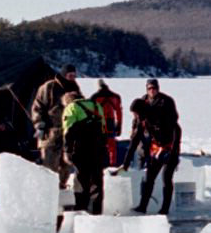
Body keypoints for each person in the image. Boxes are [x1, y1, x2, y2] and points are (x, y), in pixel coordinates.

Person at [120, 78, 181, 215]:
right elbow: (134, 141)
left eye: (154, 88)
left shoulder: (165, 104)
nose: (152, 91)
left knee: (166, 177)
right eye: (149, 88)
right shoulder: (143, 116)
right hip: (156, 148)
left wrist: (175, 149)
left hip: (170, 146)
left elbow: (176, 128)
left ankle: (164, 210)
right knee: (149, 177)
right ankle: (142, 206)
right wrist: (125, 163)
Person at [61, 88, 108, 214]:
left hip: (81, 149)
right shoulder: (96, 105)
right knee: (97, 181)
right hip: (98, 148)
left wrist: (67, 151)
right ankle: (96, 212)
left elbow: (68, 131)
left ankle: (81, 211)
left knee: (81, 180)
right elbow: (104, 129)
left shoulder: (71, 107)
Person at [31, 65, 78, 188]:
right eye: (70, 75)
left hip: (69, 132)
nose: (72, 78)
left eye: (74, 75)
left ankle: (61, 186)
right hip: (50, 131)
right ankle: (48, 188)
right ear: (64, 74)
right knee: (49, 163)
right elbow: (37, 107)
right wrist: (39, 124)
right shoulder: (48, 87)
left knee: (67, 163)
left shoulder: (75, 88)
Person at [90, 79, 123, 167]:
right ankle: (112, 164)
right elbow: (119, 112)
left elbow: (90, 113)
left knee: (98, 145)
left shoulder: (94, 97)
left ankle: (98, 165)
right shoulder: (115, 96)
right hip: (110, 123)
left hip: (99, 123)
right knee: (112, 145)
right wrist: (119, 125)